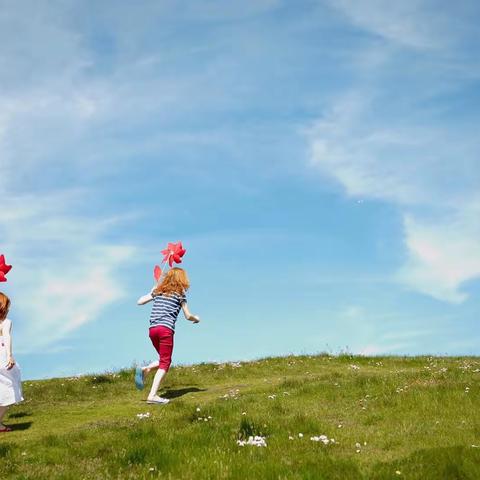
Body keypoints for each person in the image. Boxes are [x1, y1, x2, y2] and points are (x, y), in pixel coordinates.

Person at [135, 267, 199, 404]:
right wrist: (196, 319)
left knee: (164, 359)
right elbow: (188, 316)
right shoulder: (180, 294)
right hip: (165, 330)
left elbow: (139, 302)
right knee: (165, 363)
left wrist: (151, 292)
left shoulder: (159, 291)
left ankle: (145, 369)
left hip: (152, 330)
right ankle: (152, 396)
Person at [0, 292, 23, 432]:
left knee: (7, 389)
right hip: (2, 359)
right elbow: (7, 337)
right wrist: (9, 356)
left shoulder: (6, 323)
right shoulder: (6, 323)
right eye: (6, 307)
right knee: (9, 388)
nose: (8, 311)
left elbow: (7, 337)